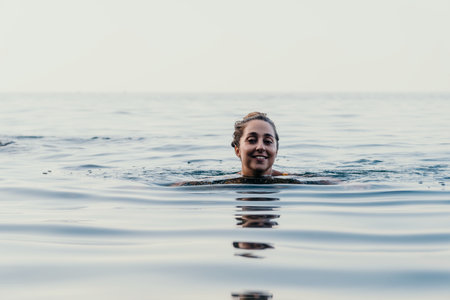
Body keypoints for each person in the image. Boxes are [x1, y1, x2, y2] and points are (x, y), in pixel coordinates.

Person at [173, 112, 337, 186]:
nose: (260, 147)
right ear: (237, 150)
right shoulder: (225, 181)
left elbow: (331, 182)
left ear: (276, 150)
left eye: (268, 141)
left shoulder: (291, 180)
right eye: (252, 140)